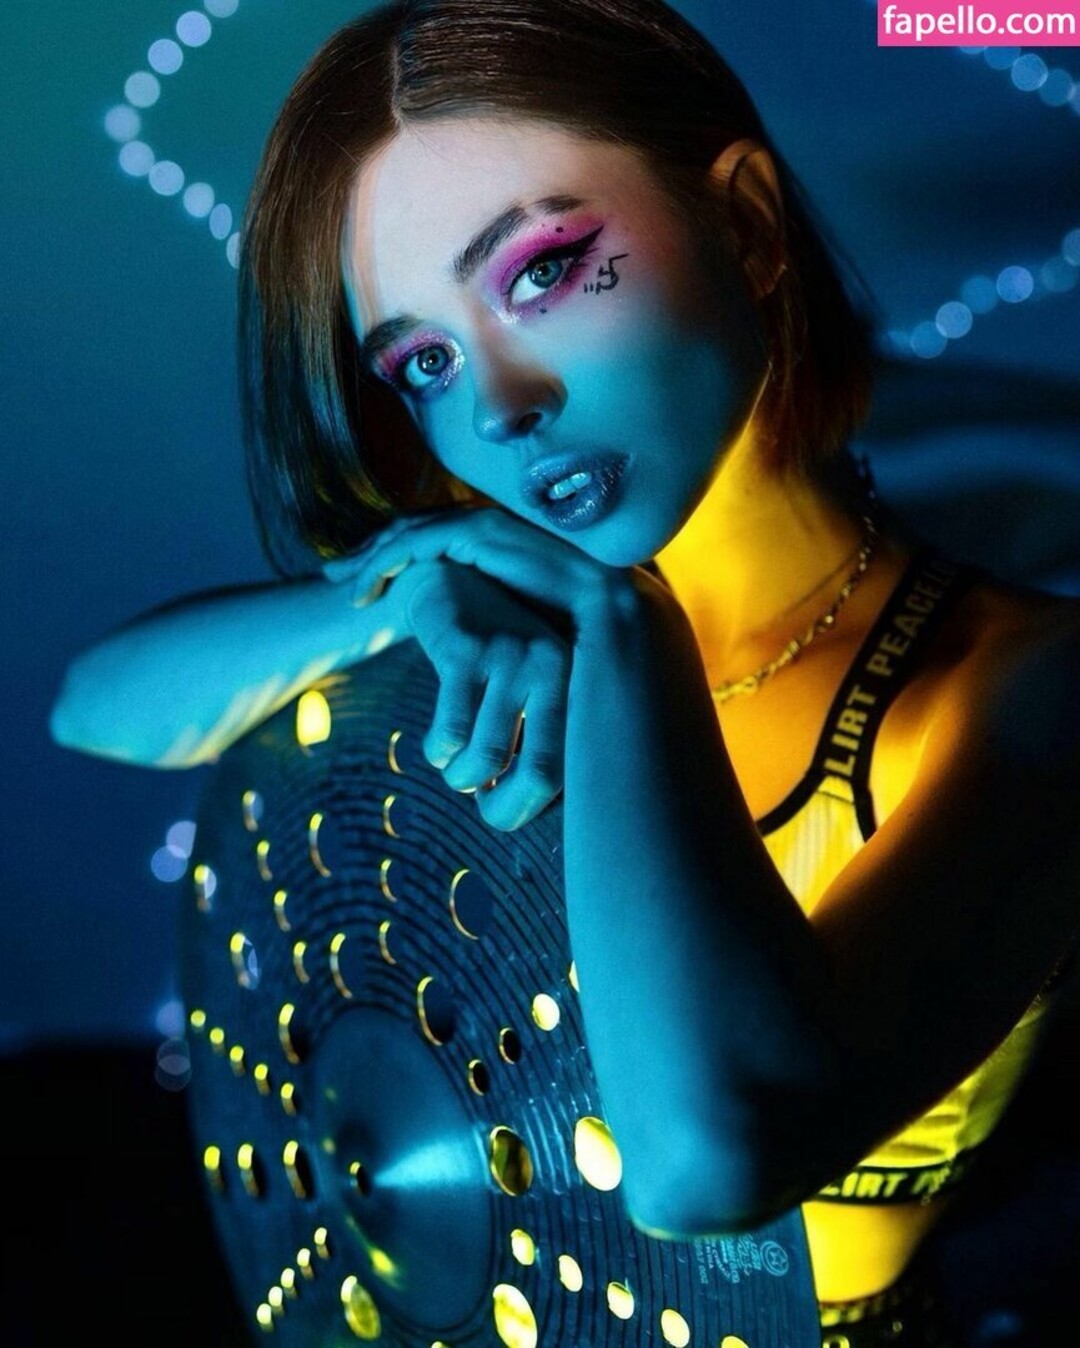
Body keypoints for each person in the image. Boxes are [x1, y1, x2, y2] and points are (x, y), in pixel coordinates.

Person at [49, 0, 1080, 1342]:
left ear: (747, 226)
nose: (498, 406)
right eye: (425, 361)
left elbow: (708, 1168)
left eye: (539, 274)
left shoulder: (1027, 689)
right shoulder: (505, 628)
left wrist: (622, 628)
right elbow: (99, 708)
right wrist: (396, 595)